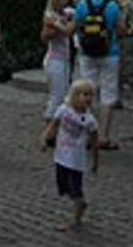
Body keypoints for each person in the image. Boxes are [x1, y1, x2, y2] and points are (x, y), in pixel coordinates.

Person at [72, 0, 124, 150]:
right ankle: (103, 136)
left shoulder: (81, 5)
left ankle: (89, 134)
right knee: (108, 94)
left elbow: (76, 27)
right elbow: (121, 29)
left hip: (86, 53)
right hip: (110, 52)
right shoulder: (113, 5)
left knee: (87, 94)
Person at [44, 77, 99, 230]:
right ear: (75, 95)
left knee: (75, 186)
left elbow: (95, 142)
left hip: (76, 160)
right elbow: (53, 125)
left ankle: (76, 216)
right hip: (61, 155)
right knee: (62, 185)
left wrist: (95, 161)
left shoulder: (90, 120)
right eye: (85, 94)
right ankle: (78, 201)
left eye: (90, 95)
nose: (88, 98)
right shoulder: (63, 110)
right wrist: (45, 138)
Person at [42, 0, 75, 121]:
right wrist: (63, 25)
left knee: (64, 93)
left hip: (64, 58)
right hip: (55, 59)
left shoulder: (66, 14)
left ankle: (58, 121)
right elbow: (47, 34)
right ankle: (50, 120)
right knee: (57, 95)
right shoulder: (51, 16)